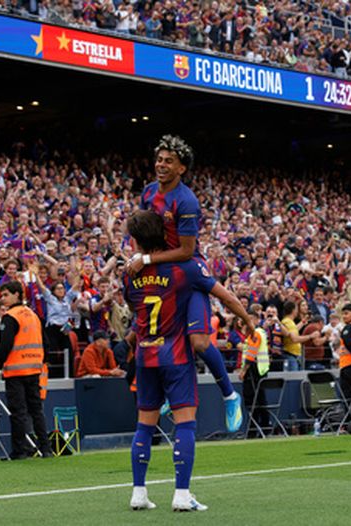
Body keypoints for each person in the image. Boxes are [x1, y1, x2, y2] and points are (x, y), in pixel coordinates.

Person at [124, 210, 253, 512]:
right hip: (175, 354)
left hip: (145, 354)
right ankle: (182, 494)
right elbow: (229, 298)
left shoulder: (128, 273)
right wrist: (247, 320)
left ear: (137, 241)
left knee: (144, 426)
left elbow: (135, 307)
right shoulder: (186, 268)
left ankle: (138, 493)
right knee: (185, 424)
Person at [128, 135, 242, 433]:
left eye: (168, 161)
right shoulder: (149, 193)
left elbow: (187, 251)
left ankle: (230, 395)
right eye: (159, 159)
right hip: (159, 273)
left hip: (183, 270)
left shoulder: (187, 201)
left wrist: (148, 261)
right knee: (158, 338)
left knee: (199, 342)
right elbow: (141, 231)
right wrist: (137, 257)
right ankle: (173, 395)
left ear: (182, 168)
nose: (161, 165)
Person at [0, 280, 52, 459]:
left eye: (6, 295)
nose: (3, 299)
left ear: (17, 294)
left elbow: (4, 345)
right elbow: (45, 344)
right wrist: (39, 362)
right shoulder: (33, 315)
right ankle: (45, 448)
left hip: (16, 372)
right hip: (34, 370)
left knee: (18, 412)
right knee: (36, 411)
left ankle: (20, 450)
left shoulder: (10, 316)